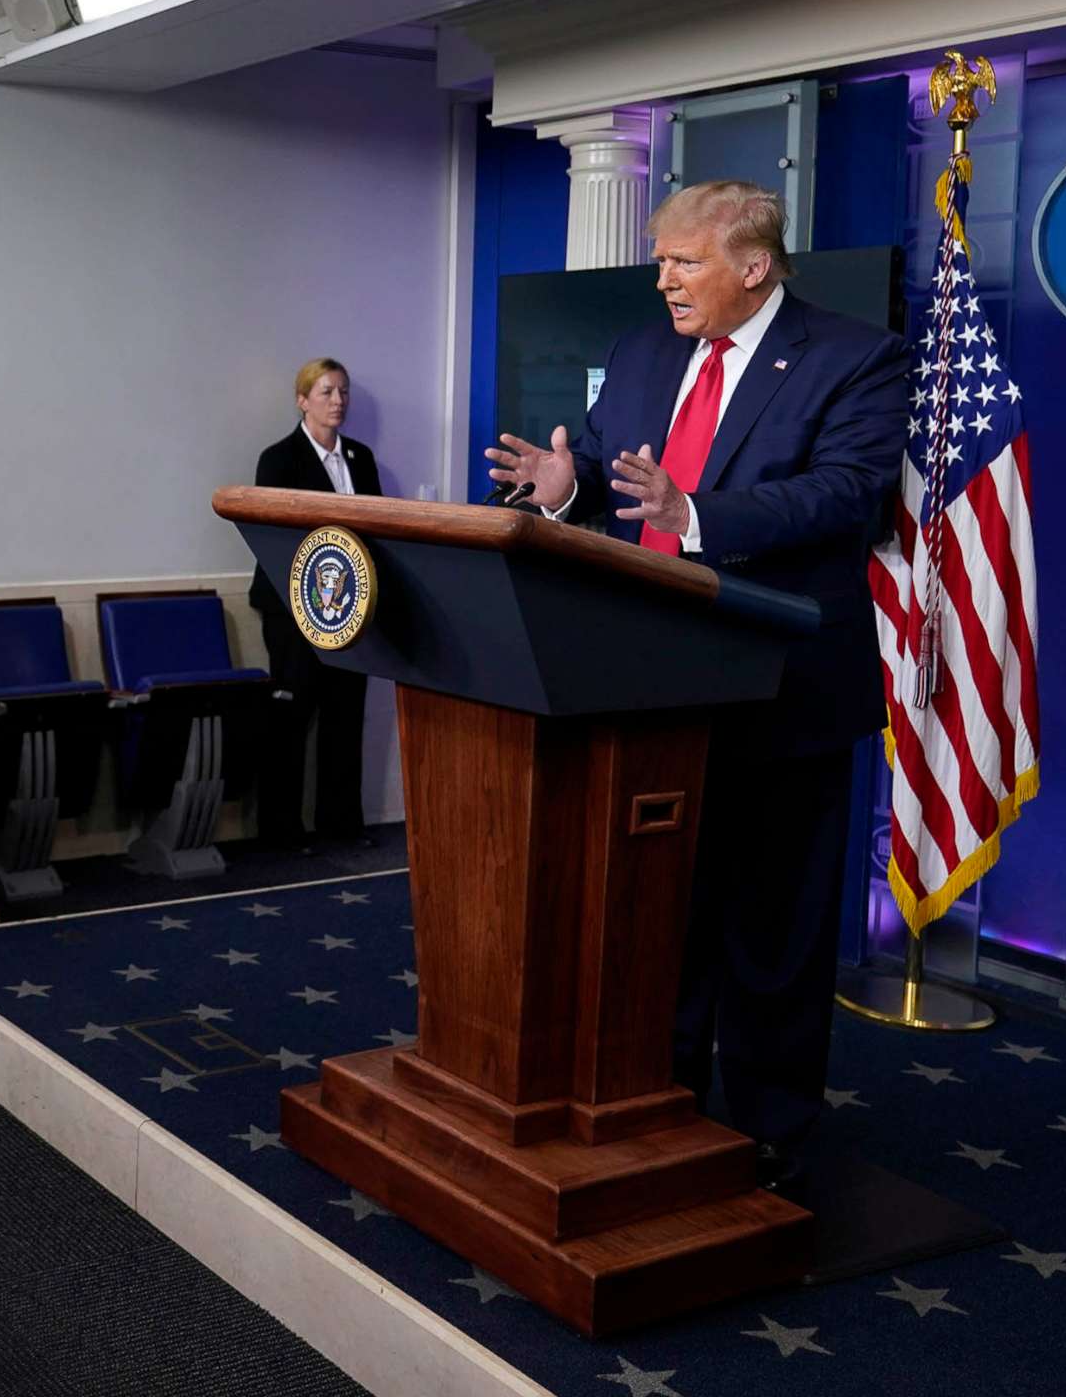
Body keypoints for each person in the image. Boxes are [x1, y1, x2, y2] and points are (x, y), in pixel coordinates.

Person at [484, 179, 908, 1183]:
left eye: (683, 261)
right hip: (643, 688)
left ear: (754, 266)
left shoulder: (855, 357)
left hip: (782, 691)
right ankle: (652, 1099)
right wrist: (567, 488)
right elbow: (599, 468)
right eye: (660, 258)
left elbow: (846, 495)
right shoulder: (641, 352)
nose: (662, 278)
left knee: (773, 927)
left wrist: (698, 516)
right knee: (653, 914)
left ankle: (769, 1133)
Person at [248, 357, 382, 850]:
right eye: (327, 392)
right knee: (291, 718)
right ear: (302, 400)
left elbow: (376, 528)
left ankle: (342, 824)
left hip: (350, 610)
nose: (338, 401)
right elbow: (272, 536)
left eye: (343, 391)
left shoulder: (361, 460)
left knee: (345, 718)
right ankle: (281, 832)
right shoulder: (278, 459)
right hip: (291, 610)